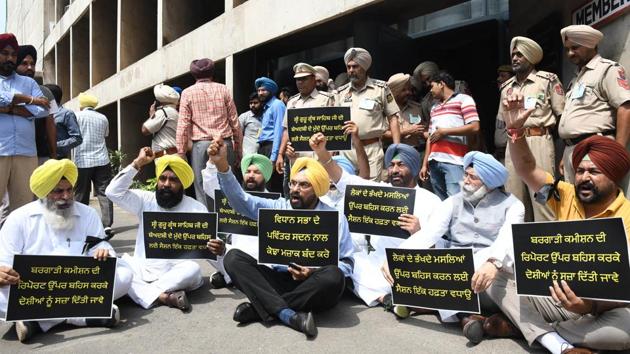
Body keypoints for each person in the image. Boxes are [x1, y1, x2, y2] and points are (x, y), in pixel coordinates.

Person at [475, 94, 630, 353]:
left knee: (624, 331)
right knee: (497, 280)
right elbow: (527, 169)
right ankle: (555, 343)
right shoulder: (564, 193)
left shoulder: (626, 217)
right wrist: (516, 131)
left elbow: (624, 293)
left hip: (598, 307)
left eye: (593, 172)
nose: (584, 178)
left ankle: (521, 327)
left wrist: (587, 306)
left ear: (614, 176)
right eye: (580, 171)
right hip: (552, 295)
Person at [207, 138, 354, 338]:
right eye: (293, 183)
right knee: (233, 259)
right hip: (278, 279)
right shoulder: (279, 207)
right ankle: (288, 315)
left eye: (303, 185)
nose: (295, 189)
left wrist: (312, 271)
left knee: (334, 277)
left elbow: (347, 263)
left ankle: (262, 308)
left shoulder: (335, 218)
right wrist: (222, 165)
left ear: (318, 189)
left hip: (313, 283)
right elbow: (242, 201)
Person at [383, 151, 524, 330]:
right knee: (433, 255)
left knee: (493, 255)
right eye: (465, 174)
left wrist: (492, 263)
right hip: (455, 268)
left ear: (489, 183)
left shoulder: (514, 205)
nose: (465, 181)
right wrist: (394, 257)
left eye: (472, 177)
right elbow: (429, 233)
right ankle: (466, 315)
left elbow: (506, 240)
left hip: (489, 273)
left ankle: (437, 307)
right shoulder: (453, 202)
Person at [0, 159, 132, 343]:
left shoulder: (88, 214)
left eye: (69, 190)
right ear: (44, 192)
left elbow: (101, 246)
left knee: (125, 275)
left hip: (77, 285)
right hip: (36, 289)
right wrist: (3, 274)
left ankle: (40, 322)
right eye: (58, 191)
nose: (67, 196)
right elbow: (4, 262)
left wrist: (103, 252)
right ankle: (83, 317)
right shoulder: (18, 219)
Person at [310, 132, 441, 308]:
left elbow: (437, 250)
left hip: (410, 264)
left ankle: (392, 298)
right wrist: (322, 152)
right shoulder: (380, 191)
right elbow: (344, 180)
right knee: (353, 263)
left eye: (401, 165)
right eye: (391, 165)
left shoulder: (431, 200)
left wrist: (418, 233)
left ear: (414, 168)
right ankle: (387, 299)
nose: (394, 170)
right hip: (376, 263)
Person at [105, 149, 204, 312]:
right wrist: (138, 163)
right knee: (117, 264)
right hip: (141, 268)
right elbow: (112, 192)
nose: (166, 184)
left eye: (173, 180)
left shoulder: (196, 208)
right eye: (163, 178)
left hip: (174, 273)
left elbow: (208, 242)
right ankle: (163, 296)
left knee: (193, 270)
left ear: (182, 184)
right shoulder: (145, 200)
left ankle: (141, 292)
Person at [499, 36, 565, 222]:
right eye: (513, 55)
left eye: (520, 55)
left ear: (530, 57)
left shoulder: (547, 80)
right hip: (513, 143)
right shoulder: (506, 88)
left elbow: (562, 116)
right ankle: (518, 247)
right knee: (514, 201)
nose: (515, 58)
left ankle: (546, 245)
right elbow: (503, 121)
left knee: (543, 200)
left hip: (539, 141)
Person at [558, 25, 630, 185]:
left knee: (597, 205)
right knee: (576, 205)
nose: (570, 53)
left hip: (595, 150)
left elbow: (625, 108)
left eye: (575, 47)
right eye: (567, 49)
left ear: (590, 44)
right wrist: (566, 153)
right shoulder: (575, 79)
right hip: (572, 151)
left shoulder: (608, 70)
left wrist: (618, 152)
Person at [176, 58, 242, 209]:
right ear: (212, 73)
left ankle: (208, 223)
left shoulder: (187, 93)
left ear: (194, 75)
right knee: (227, 183)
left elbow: (183, 125)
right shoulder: (223, 89)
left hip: (200, 146)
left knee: (201, 187)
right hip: (224, 143)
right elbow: (234, 122)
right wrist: (238, 149)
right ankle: (227, 223)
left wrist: (181, 152)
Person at [202, 153, 274, 288]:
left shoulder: (273, 203)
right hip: (231, 253)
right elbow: (211, 186)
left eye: (257, 172)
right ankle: (232, 276)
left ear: (265, 176)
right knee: (206, 238)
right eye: (248, 171)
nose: (251, 175)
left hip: (261, 260)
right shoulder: (235, 195)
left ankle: (230, 277)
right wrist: (212, 161)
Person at [0, 33, 50, 221]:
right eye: (5, 53)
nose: (10, 58)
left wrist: (10, 110)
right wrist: (27, 99)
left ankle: (18, 250)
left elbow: (44, 110)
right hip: (0, 150)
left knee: (24, 209)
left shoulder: (28, 82)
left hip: (26, 152)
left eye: (13, 54)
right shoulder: (28, 88)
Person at [337, 47, 400, 181]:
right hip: (347, 151)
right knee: (346, 190)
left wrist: (397, 148)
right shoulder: (340, 93)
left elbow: (393, 118)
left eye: (355, 67)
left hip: (371, 149)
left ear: (364, 68)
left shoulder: (381, 89)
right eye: (348, 67)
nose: (351, 70)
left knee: (370, 191)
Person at [421, 71, 480, 200]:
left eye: (432, 86)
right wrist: (425, 164)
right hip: (434, 161)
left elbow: (475, 127)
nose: (430, 91)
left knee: (456, 201)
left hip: (454, 160)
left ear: (441, 84)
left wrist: (445, 132)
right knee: (442, 203)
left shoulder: (464, 99)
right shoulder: (434, 108)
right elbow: (430, 138)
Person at [276, 63, 335, 177]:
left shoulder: (327, 99)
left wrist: (330, 155)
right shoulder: (292, 102)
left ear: (313, 79)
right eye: (297, 79)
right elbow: (287, 130)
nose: (300, 82)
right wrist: (280, 154)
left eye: (304, 79)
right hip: (296, 157)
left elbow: (333, 131)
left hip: (319, 155)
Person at [73, 92, 114, 236]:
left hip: (83, 160)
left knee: (81, 193)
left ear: (82, 105)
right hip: (102, 159)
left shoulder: (77, 116)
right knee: (104, 192)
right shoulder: (103, 117)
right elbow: (106, 135)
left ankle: (82, 223)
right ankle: (107, 225)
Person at [16, 44, 58, 164]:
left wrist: (54, 155)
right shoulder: (8, 91)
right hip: (10, 153)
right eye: (24, 63)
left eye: (33, 64)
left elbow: (51, 124)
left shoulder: (46, 92)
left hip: (40, 155)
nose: (30, 68)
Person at [384, 73, 427, 160]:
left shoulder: (417, 107)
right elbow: (381, 135)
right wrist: (406, 131)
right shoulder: (383, 110)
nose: (409, 92)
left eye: (409, 89)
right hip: (393, 156)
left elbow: (423, 129)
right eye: (403, 90)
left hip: (415, 155)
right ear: (394, 91)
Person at [255, 77, 286, 192]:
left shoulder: (277, 105)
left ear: (271, 91)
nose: (260, 93)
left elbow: (279, 131)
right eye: (258, 91)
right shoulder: (266, 107)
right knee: (265, 185)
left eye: (263, 90)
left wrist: (274, 157)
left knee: (273, 185)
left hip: (272, 147)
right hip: (264, 148)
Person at [43, 84, 83, 159]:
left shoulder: (66, 114)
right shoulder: (39, 113)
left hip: (59, 159)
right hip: (40, 158)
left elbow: (77, 138)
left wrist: (54, 145)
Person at [142, 83, 180, 157]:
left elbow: (145, 130)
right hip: (174, 155)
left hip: (166, 158)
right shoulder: (174, 112)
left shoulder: (163, 112)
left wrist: (151, 116)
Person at [493, 65, 514, 163]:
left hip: (512, 152)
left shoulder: (514, 98)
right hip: (501, 153)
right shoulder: (502, 96)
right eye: (499, 76)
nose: (499, 79)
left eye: (503, 76)